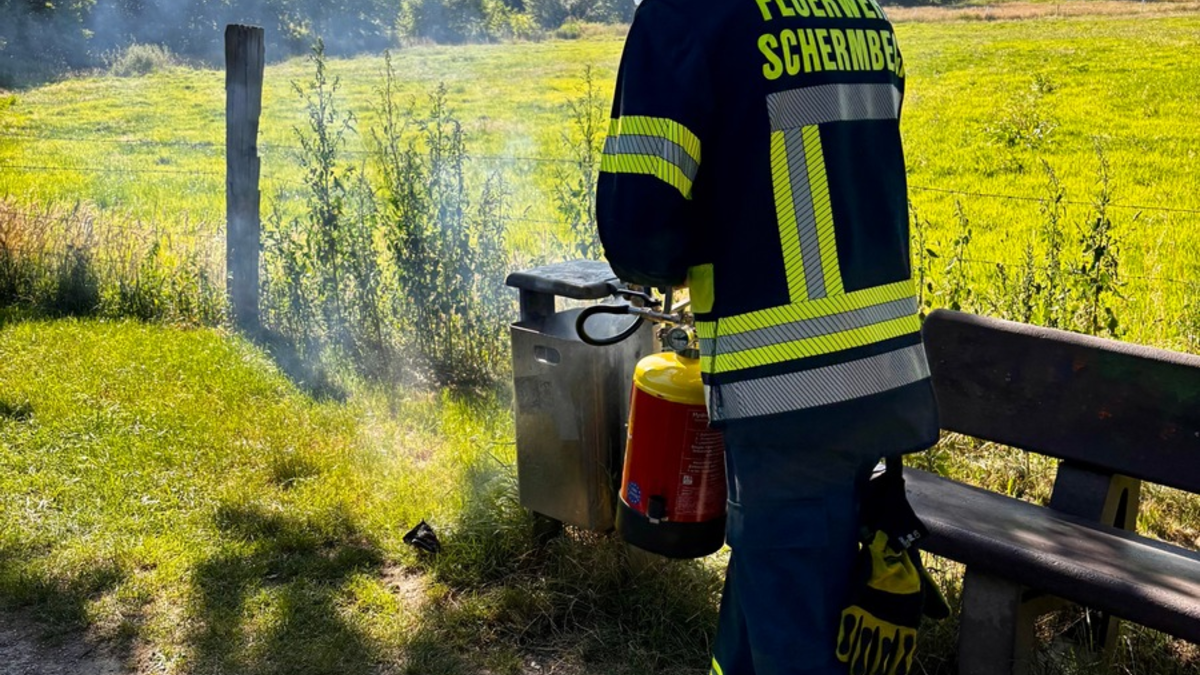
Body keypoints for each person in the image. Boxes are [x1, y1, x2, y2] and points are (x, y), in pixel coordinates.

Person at [595, 0, 942, 672]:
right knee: (776, 602)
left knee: (796, 630)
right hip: (883, 372)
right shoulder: (857, 11)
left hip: (789, 385)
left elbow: (640, 225)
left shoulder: (684, 15)